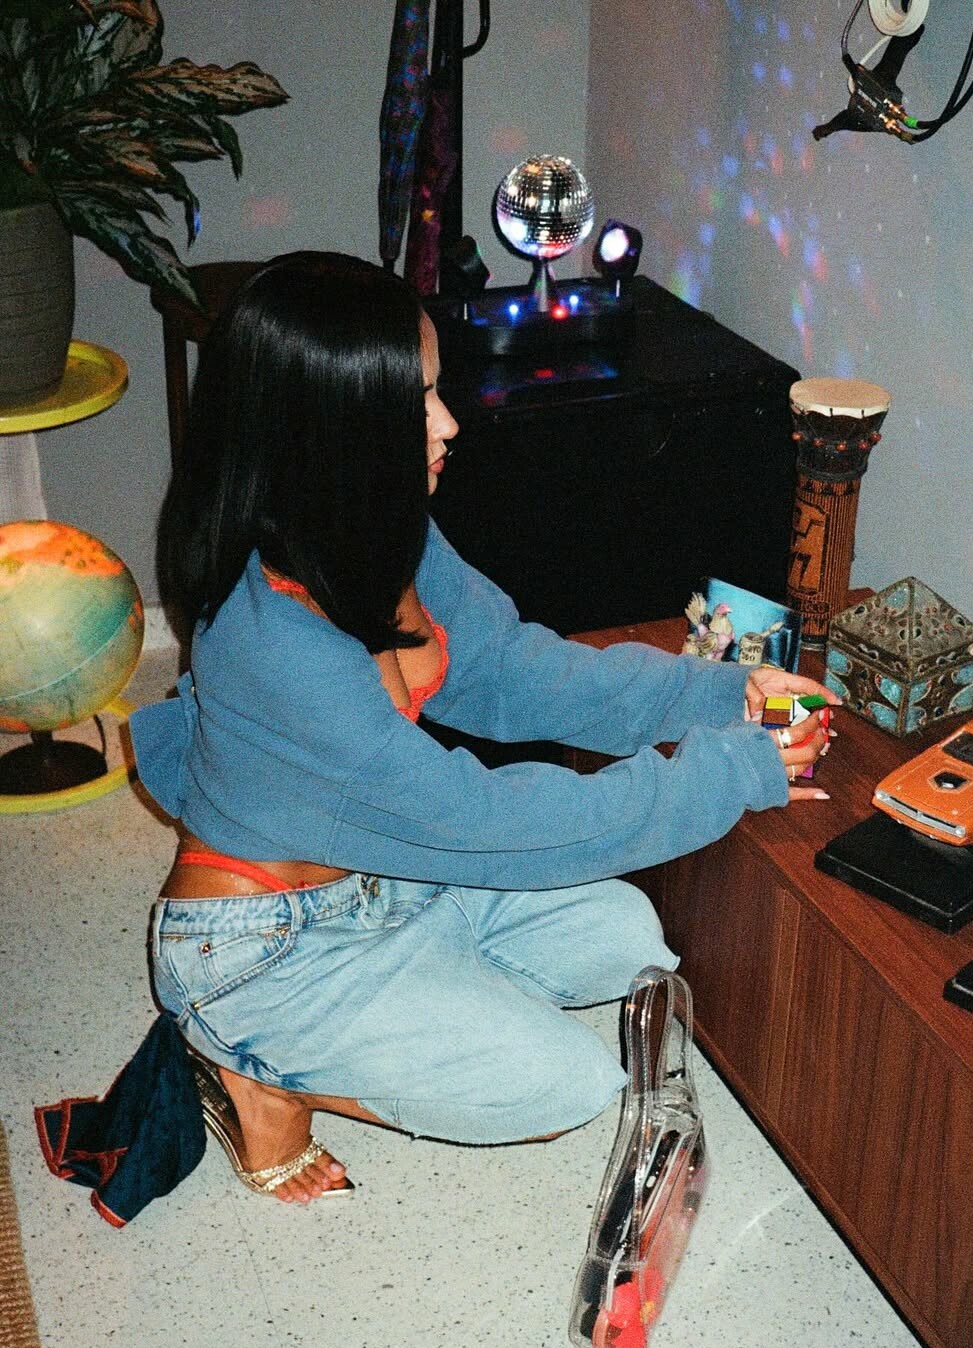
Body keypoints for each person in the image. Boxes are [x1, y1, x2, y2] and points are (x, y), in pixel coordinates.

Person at [132, 251, 836, 1205]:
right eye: (415, 402)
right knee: (564, 1085)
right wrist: (728, 773)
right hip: (262, 946)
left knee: (625, 934)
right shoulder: (274, 648)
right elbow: (490, 824)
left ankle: (422, 1003)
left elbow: (512, 670)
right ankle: (256, 1073)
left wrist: (720, 692)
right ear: (327, 432)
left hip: (388, 877)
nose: (448, 423)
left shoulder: (377, 529)